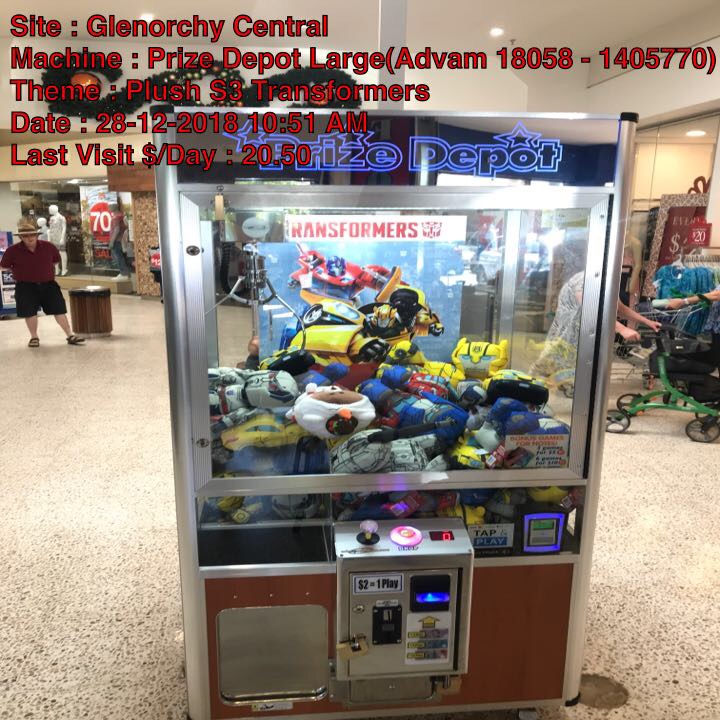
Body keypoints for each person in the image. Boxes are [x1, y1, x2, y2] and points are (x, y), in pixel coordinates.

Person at [0, 218, 85, 347]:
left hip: (48, 284)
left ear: (37, 235)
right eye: (25, 236)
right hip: (25, 286)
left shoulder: (48, 247)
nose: (30, 238)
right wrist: (20, 270)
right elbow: (4, 266)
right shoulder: (12, 250)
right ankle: (34, 337)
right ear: (21, 237)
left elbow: (55, 261)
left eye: (32, 235)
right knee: (29, 312)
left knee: (59, 309)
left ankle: (70, 335)